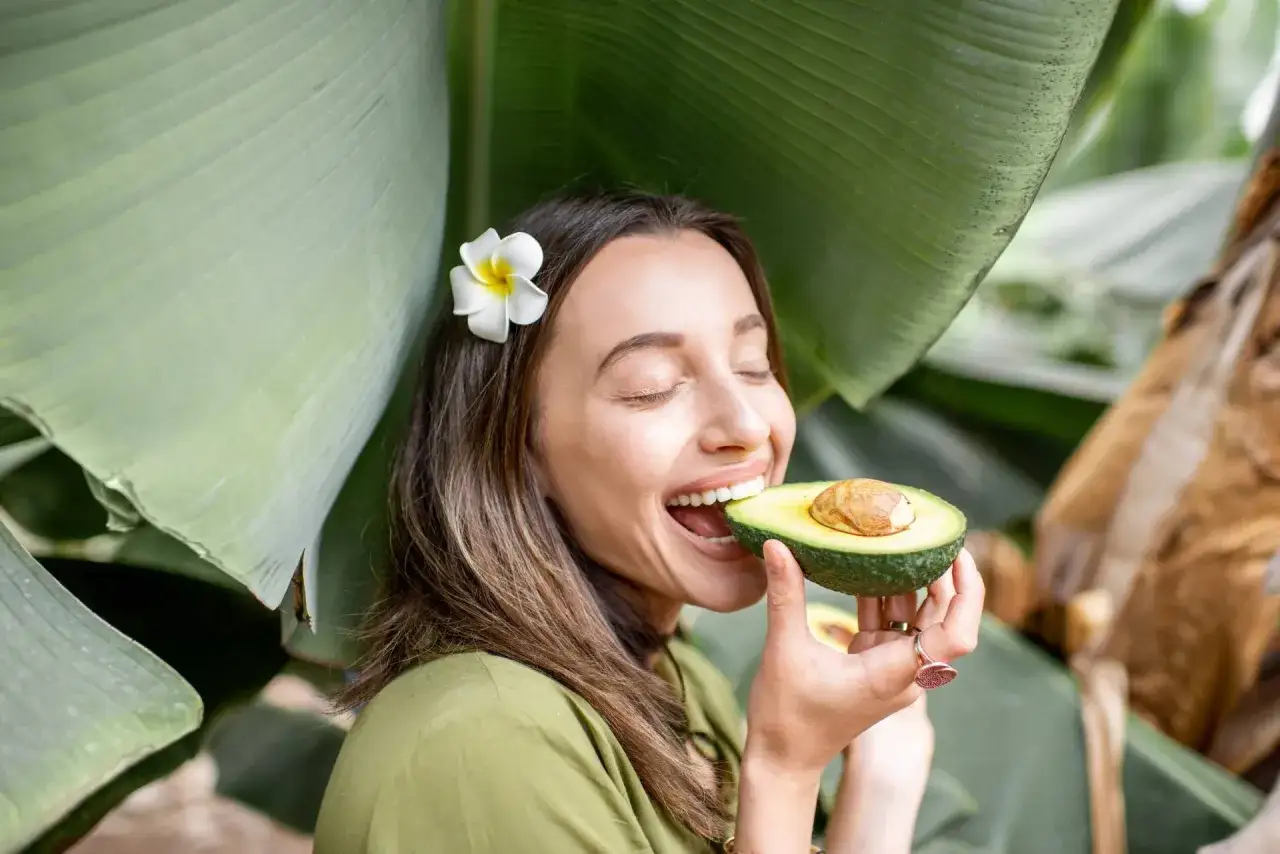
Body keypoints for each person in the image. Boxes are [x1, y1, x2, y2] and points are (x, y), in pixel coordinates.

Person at [314, 190, 985, 854]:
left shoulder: (682, 683)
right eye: (653, 385)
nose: (747, 426)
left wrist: (886, 771)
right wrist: (786, 766)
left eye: (753, 367)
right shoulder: (476, 743)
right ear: (517, 448)